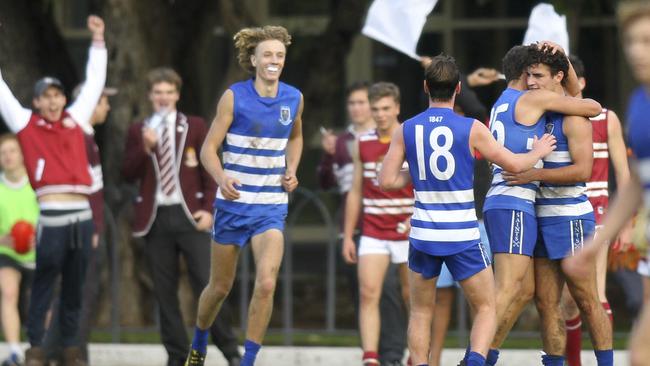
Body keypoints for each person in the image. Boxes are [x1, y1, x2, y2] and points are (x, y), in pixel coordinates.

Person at [378, 54, 556, 366]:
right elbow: (513, 164)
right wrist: (539, 151)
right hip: (462, 234)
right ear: (459, 88)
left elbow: (387, 181)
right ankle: (474, 362)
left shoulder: (406, 128)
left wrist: (417, 172)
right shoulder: (472, 127)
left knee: (421, 311)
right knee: (486, 306)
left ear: (425, 86)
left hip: (423, 234)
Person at [185, 25, 303, 366]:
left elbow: (295, 137)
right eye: (267, 54)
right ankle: (199, 342)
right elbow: (209, 148)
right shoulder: (234, 96)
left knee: (266, 282)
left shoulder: (294, 97)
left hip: (271, 207)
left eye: (279, 55)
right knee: (220, 287)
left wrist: (292, 168)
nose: (274, 61)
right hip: (234, 206)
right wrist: (221, 178)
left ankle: (248, 360)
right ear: (253, 59)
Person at [480, 44, 602, 366]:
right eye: (531, 75)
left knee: (531, 293)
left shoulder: (502, 103)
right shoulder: (531, 99)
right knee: (510, 291)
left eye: (540, 75)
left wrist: (562, 60)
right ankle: (476, 357)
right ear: (523, 74)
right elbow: (589, 105)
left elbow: (574, 99)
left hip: (528, 206)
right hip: (515, 202)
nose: (534, 81)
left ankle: (483, 355)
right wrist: (534, 165)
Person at [0, 15, 106, 366]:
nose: (53, 101)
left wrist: (97, 42)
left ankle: (72, 348)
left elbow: (93, 83)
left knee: (75, 287)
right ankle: (36, 348)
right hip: (53, 216)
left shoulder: (77, 120)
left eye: (58, 94)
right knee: (44, 284)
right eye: (46, 96)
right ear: (36, 101)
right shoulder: (26, 124)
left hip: (82, 216)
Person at [122, 67, 240, 366]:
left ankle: (229, 350)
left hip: (190, 214)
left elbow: (208, 168)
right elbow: (128, 171)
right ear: (150, 95)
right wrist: (144, 148)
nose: (163, 97)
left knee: (209, 283)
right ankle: (177, 355)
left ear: (177, 94)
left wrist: (210, 209)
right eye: (158, 92)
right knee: (164, 291)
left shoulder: (195, 125)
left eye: (168, 92)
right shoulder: (139, 130)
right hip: (157, 217)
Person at [565, 1, 650, 365]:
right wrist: (596, 242)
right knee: (640, 354)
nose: (635, 51)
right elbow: (636, 179)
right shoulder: (639, 101)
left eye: (646, 41)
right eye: (630, 41)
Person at [319, 82, 408, 366]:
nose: (380, 114)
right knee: (368, 292)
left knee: (412, 297)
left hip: (408, 228)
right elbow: (355, 190)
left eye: (386, 108)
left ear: (397, 108)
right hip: (372, 228)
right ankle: (370, 358)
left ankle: (417, 356)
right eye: (375, 109)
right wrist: (347, 236)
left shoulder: (410, 135)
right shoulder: (362, 141)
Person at [560, 55, 632, 366]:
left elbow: (625, 175)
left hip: (597, 214)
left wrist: (626, 224)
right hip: (563, 215)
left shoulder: (606, 118)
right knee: (568, 302)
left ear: (583, 83)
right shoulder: (554, 117)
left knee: (596, 294)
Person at [42, 85, 117, 365]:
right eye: (103, 102)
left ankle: (58, 353)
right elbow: (81, 189)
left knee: (75, 295)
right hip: (81, 228)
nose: (107, 107)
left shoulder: (85, 136)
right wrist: (94, 227)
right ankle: (67, 354)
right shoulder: (79, 138)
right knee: (81, 295)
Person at [0, 134, 39, 366]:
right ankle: (14, 350)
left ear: (23, 154)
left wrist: (41, 237)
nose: (8, 156)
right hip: (7, 252)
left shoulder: (37, 184)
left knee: (41, 301)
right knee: (9, 291)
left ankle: (39, 348)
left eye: (12, 151)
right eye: (3, 152)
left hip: (39, 251)